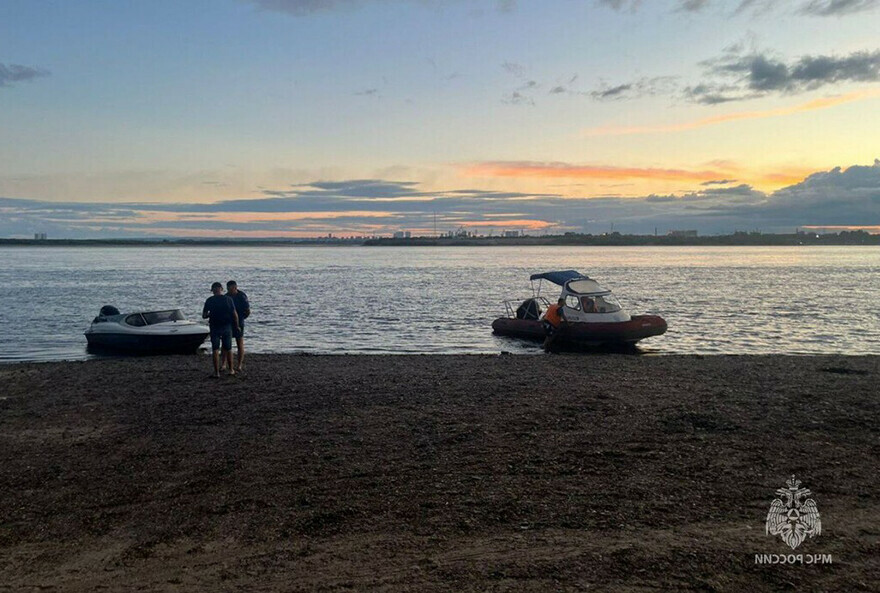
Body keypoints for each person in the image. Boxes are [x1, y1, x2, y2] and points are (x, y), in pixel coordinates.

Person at [202, 282, 239, 377]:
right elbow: (234, 314)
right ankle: (231, 370)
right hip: (226, 325)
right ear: (221, 289)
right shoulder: (228, 299)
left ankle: (216, 372)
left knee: (215, 349)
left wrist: (210, 314)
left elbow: (204, 315)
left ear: (212, 290)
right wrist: (237, 326)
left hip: (214, 326)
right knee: (228, 348)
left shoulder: (209, 300)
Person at [224, 280, 250, 372]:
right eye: (227, 289)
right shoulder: (226, 297)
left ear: (235, 288)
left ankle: (239, 365)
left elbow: (247, 310)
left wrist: (241, 319)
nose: (229, 291)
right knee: (226, 343)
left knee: (240, 343)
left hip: (239, 321)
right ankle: (224, 364)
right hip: (228, 322)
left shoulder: (241, 296)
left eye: (230, 289)